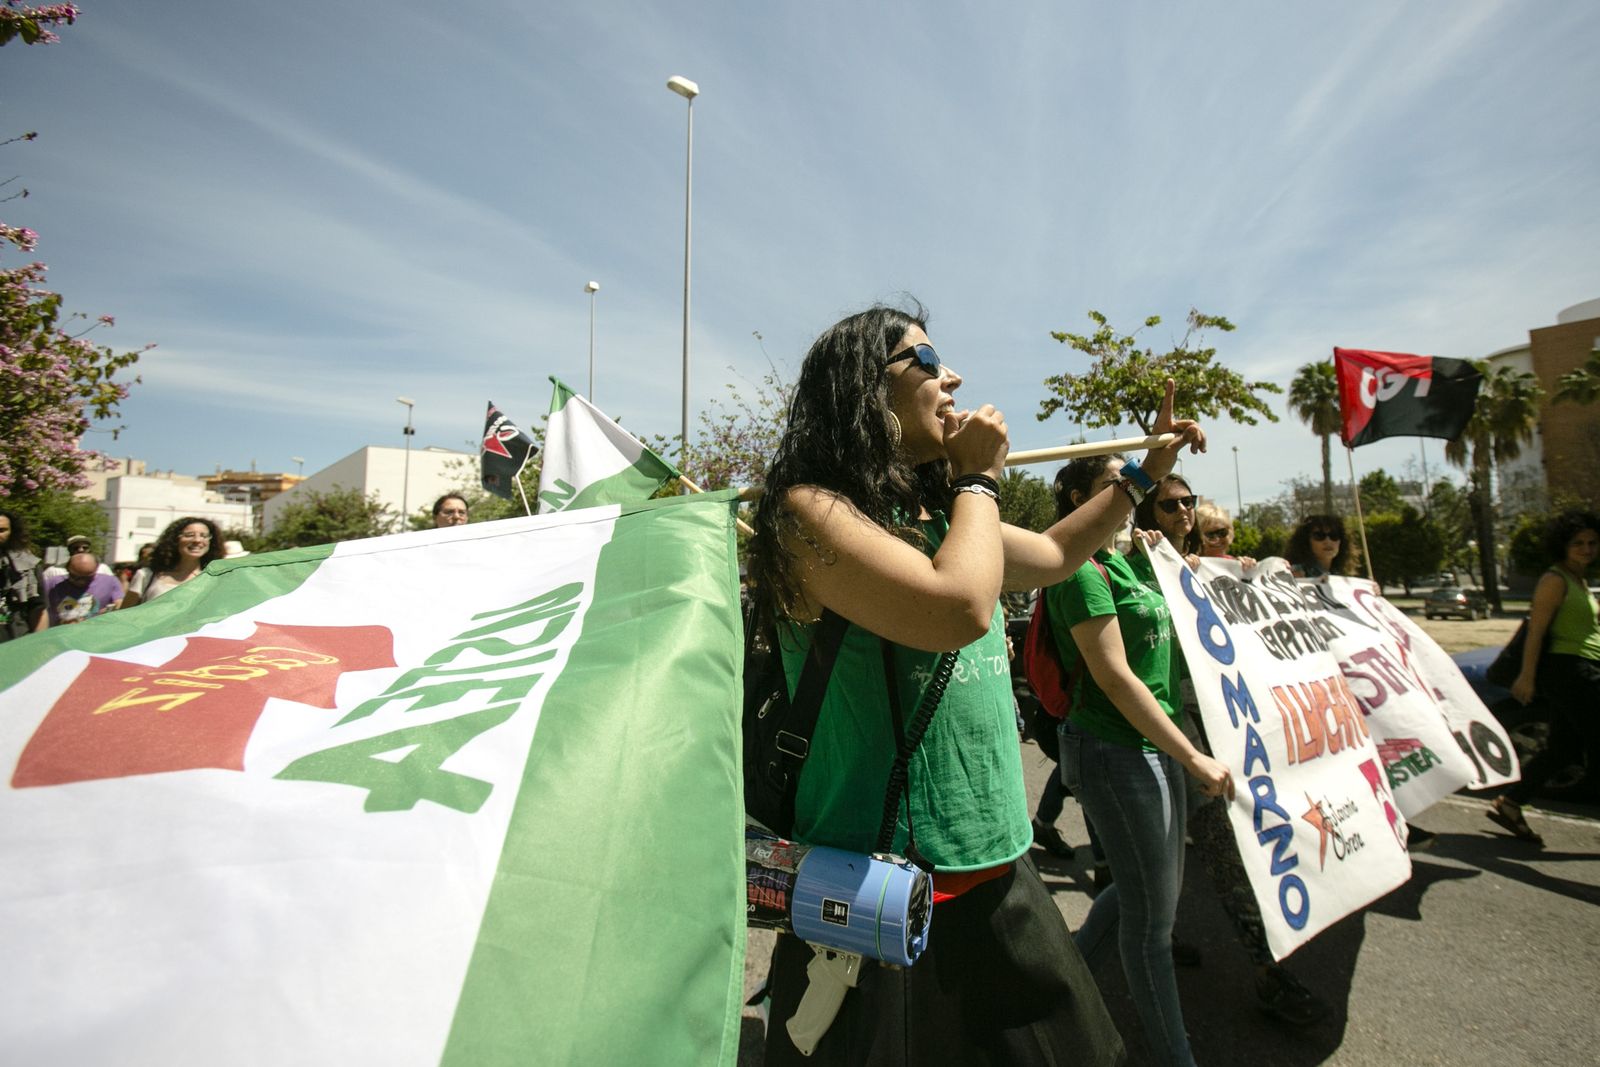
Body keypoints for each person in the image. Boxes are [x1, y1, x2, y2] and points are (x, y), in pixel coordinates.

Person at [750, 301, 1205, 1065]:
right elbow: (956, 605)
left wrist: (1142, 474)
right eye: (925, 361)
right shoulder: (809, 511)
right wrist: (980, 482)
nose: (952, 375)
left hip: (999, 874)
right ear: (864, 390)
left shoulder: (940, 516)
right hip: (881, 898)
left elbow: (1059, 553)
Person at [1049, 455, 1233, 1067]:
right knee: (1153, 926)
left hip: (1154, 748)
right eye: (1119, 487)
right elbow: (1117, 679)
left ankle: (1060, 999)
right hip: (1114, 751)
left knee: (1139, 896)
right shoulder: (1076, 570)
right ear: (1081, 498)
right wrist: (1193, 758)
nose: (1137, 497)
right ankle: (1175, 1057)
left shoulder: (1131, 564)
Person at [1492, 510, 1600, 845]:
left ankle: (1510, 804)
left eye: (1592, 542)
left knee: (1564, 749)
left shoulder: (1579, 580)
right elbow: (1536, 631)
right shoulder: (1555, 580)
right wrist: (1525, 676)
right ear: (1562, 545)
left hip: (1584, 667)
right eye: (1577, 543)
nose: (1585, 548)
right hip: (1569, 670)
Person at [124, 517, 225, 606]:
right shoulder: (146, 576)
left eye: (203, 536)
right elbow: (122, 618)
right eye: (189, 535)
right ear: (174, 540)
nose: (197, 540)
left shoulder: (216, 581)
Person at [43, 548, 123, 625]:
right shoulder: (52, 584)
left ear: (96, 569)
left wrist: (108, 611)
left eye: (87, 577)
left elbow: (120, 603)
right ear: (67, 569)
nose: (82, 581)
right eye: (75, 577)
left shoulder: (110, 581)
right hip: (60, 634)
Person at [1, 508, 47, 640]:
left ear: (12, 532)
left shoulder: (28, 565)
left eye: (2, 530)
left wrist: (39, 644)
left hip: (16, 642)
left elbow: (38, 609)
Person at [1285, 514, 1351, 578]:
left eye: (1334, 535)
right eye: (1319, 536)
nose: (1328, 541)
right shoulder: (1295, 573)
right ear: (1306, 541)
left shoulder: (1341, 577)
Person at [1194, 502, 1257, 567]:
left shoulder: (1236, 564)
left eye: (1222, 532)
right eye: (1210, 534)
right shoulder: (1190, 565)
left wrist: (1248, 566)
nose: (1217, 539)